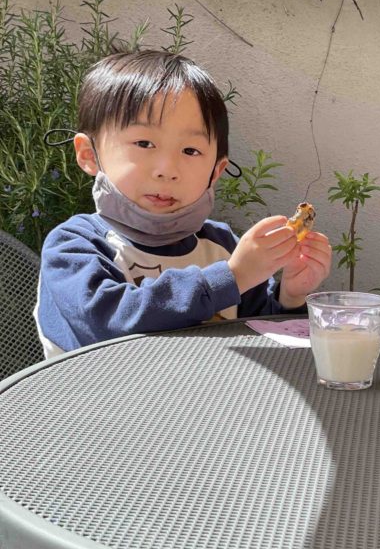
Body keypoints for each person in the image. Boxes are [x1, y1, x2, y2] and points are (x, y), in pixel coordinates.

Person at [35, 50, 331, 357]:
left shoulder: (222, 245)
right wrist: (233, 277)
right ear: (88, 154)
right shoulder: (73, 246)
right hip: (94, 403)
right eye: (144, 143)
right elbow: (110, 324)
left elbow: (264, 333)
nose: (167, 169)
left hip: (207, 402)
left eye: (190, 151)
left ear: (215, 171)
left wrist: (292, 295)